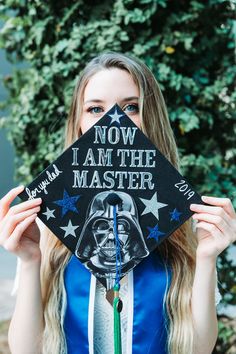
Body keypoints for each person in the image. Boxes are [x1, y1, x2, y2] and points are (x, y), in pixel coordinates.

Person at [0, 52, 235, 354]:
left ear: (151, 119)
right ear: (80, 123)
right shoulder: (50, 224)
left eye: (131, 107)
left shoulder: (183, 221)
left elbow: (198, 348)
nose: (114, 121)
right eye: (95, 108)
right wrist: (30, 260)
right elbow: (26, 351)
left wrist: (206, 258)